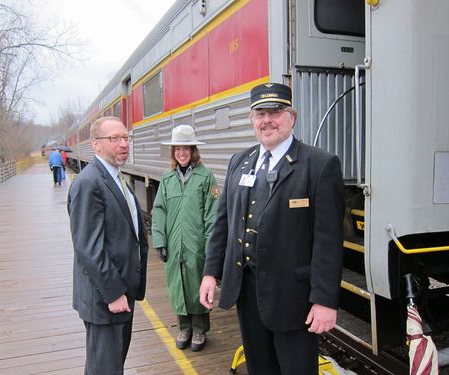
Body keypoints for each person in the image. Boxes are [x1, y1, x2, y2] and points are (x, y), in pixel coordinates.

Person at [199, 83, 344, 374]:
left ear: (292, 118)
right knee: (259, 368)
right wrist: (210, 273)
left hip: (294, 297)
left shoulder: (319, 165)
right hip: (247, 291)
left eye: (276, 112)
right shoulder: (240, 161)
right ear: (252, 120)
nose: (267, 120)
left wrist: (325, 300)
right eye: (260, 113)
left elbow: (328, 241)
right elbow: (223, 223)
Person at [67, 116, 149, 375]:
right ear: (96, 145)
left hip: (121, 292)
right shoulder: (89, 183)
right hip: (105, 298)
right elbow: (88, 247)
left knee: (114, 364)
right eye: (114, 138)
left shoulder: (115, 177)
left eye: (125, 137)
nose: (123, 143)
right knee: (105, 368)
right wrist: (113, 293)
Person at [152, 125, 219, 352]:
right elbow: (159, 210)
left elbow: (212, 215)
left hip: (196, 244)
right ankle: (184, 327)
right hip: (174, 244)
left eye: (186, 148)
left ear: (193, 151)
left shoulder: (205, 176)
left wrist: (211, 247)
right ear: (173, 152)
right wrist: (160, 240)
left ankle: (200, 329)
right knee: (177, 285)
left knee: (196, 285)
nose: (181, 153)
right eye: (177, 148)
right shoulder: (167, 178)